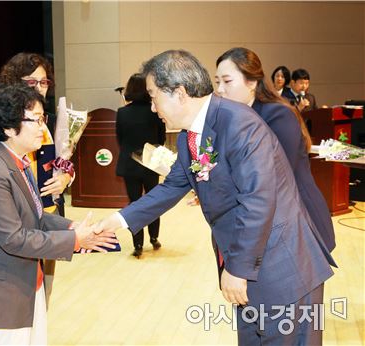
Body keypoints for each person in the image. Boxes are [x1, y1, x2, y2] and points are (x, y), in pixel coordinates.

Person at [96, 50, 335, 345]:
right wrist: (118, 220)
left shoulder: (239, 123)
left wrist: (237, 268)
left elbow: (258, 201)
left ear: (180, 93)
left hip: (280, 267)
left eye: (154, 96)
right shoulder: (189, 136)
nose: (152, 106)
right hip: (247, 265)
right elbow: (171, 187)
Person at [0, 85, 117, 345]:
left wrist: (71, 226)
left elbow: (36, 216)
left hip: (28, 278)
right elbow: (14, 238)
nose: (43, 128)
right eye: (36, 120)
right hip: (5, 283)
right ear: (9, 128)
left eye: (44, 119)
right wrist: (76, 239)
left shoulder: (18, 162)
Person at [215, 47, 335, 252]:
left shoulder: (277, 115)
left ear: (252, 82)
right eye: (217, 82)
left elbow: (275, 174)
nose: (220, 89)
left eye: (227, 81)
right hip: (265, 220)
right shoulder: (234, 116)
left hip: (298, 218)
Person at [0, 53, 73, 304]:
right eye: (32, 82)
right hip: (15, 219)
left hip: (49, 214)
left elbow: (64, 160)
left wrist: (66, 176)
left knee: (44, 294)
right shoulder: (1, 121)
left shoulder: (52, 120)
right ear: (14, 81)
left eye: (44, 82)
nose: (40, 88)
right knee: (18, 298)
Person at [116, 73, 166, 258]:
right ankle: (154, 238)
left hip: (130, 164)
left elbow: (120, 139)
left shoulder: (122, 113)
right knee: (154, 201)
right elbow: (161, 138)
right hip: (151, 163)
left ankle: (138, 244)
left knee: (134, 203)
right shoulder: (155, 111)